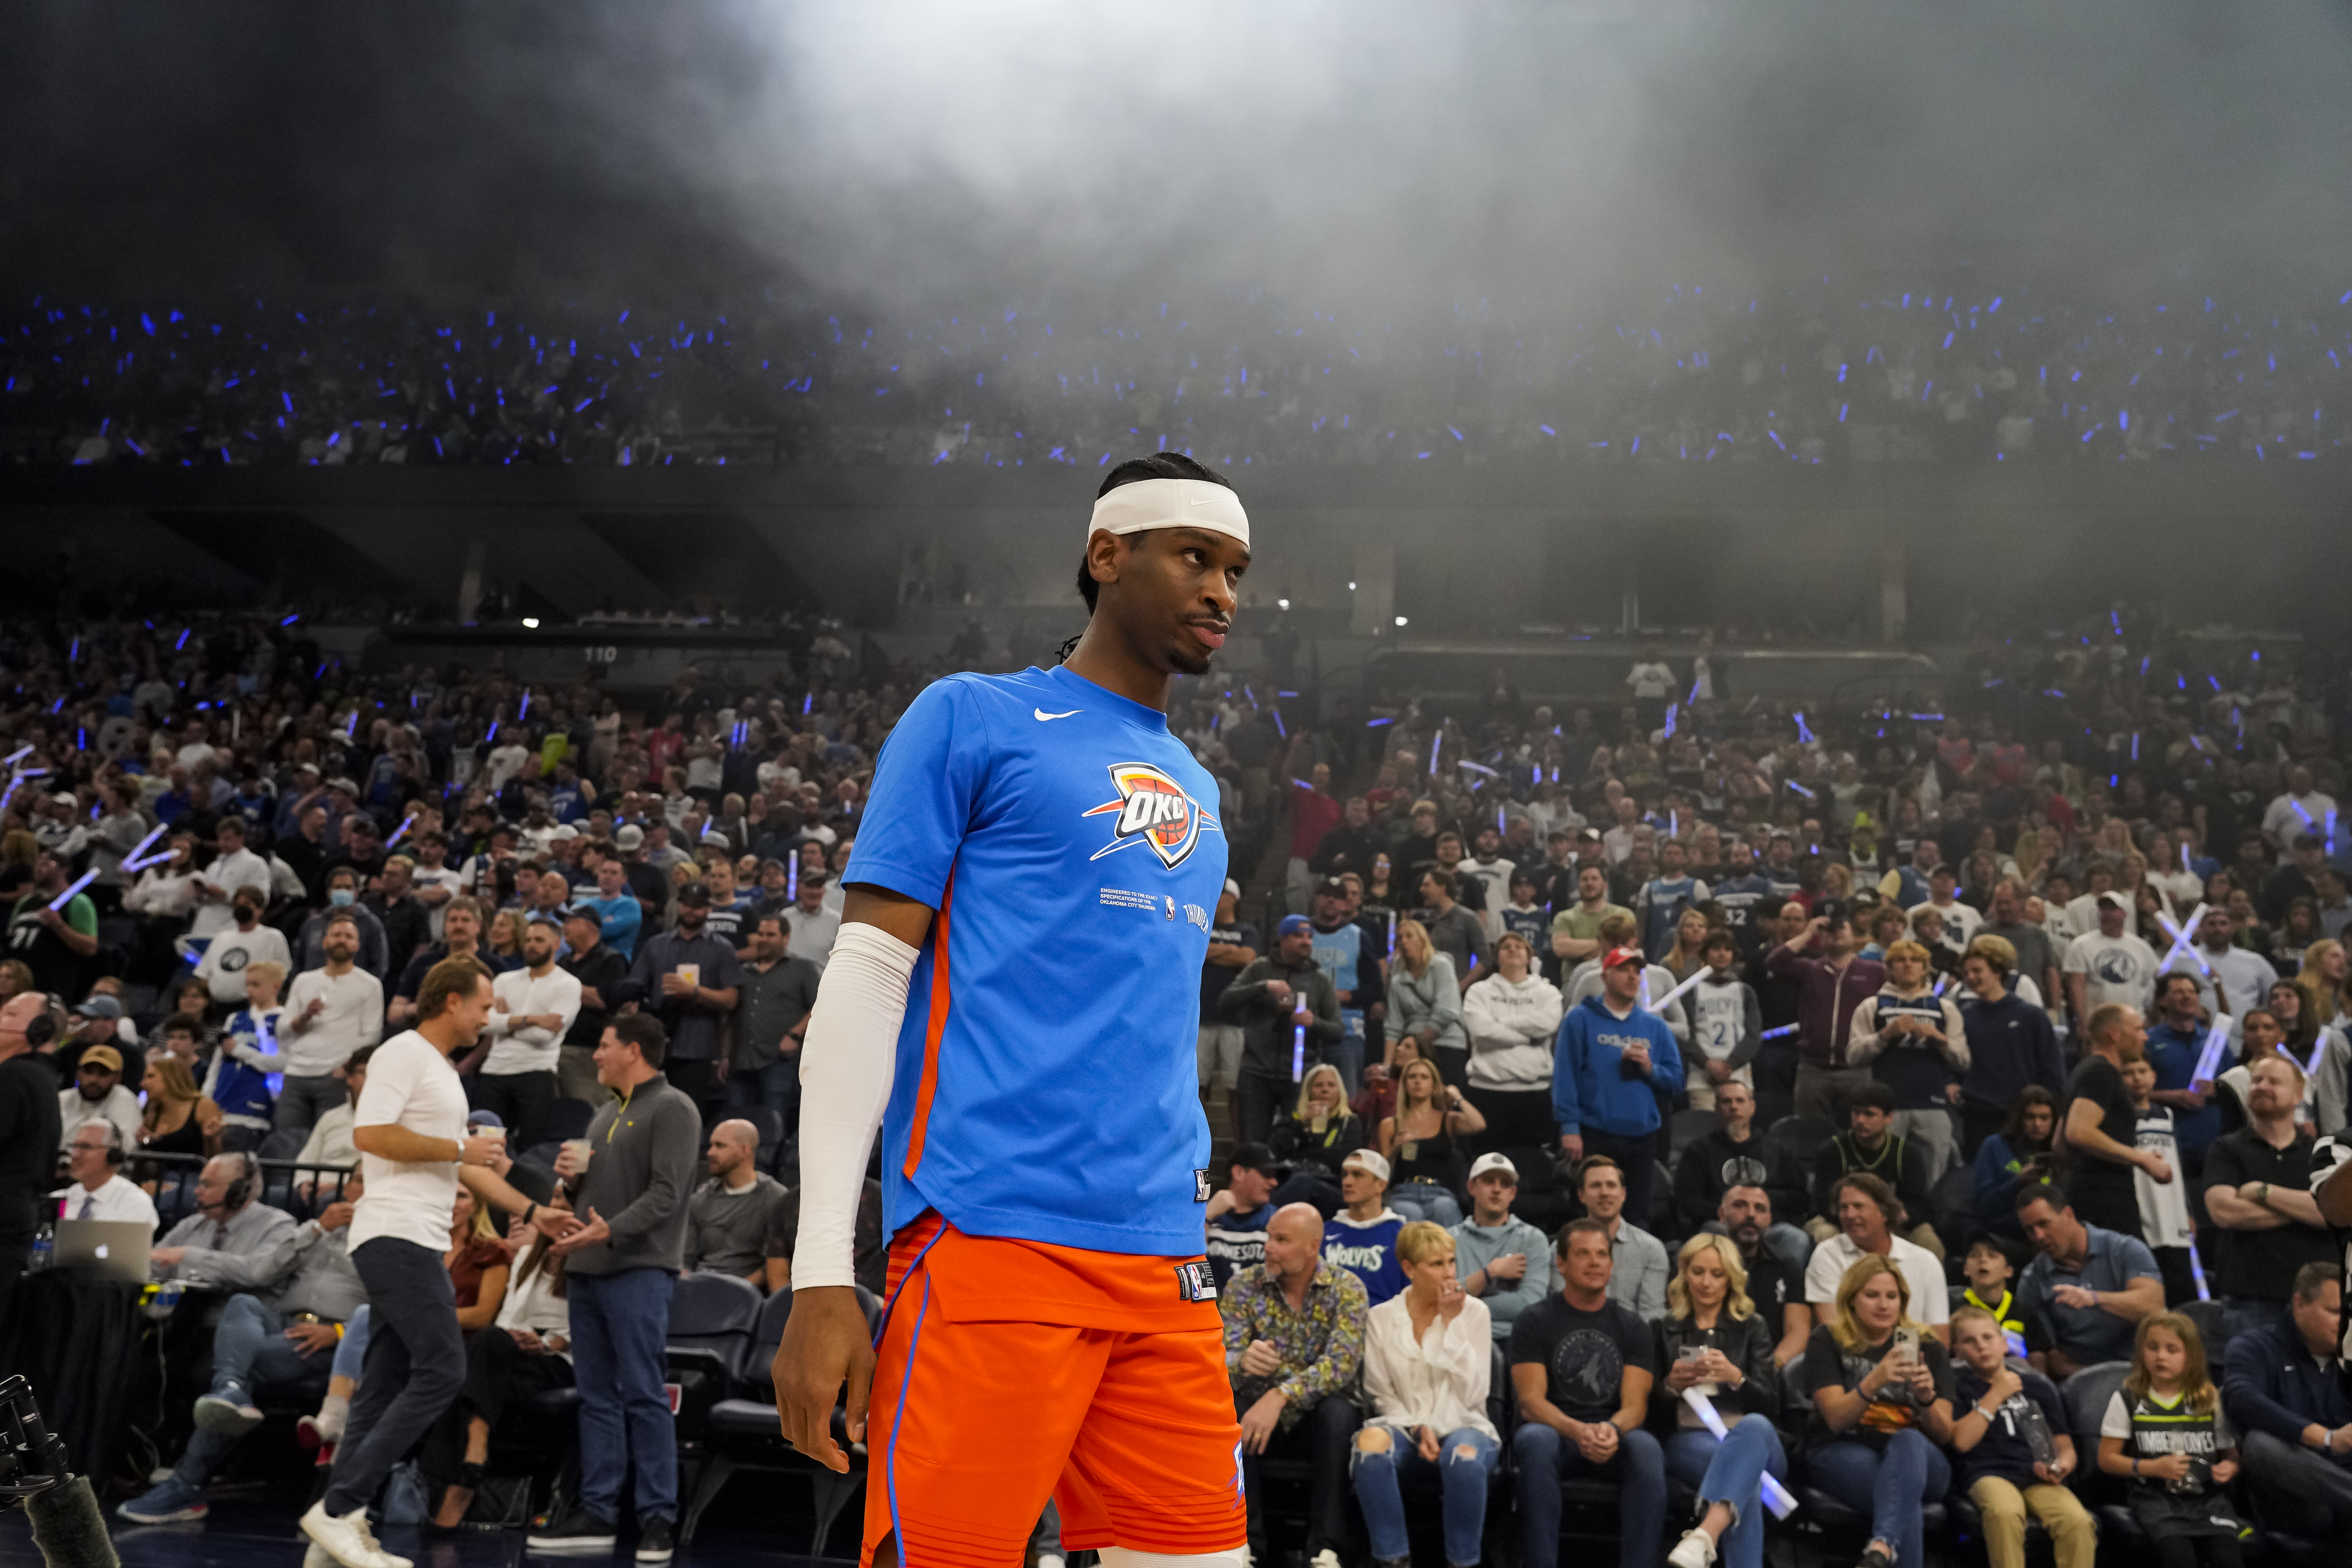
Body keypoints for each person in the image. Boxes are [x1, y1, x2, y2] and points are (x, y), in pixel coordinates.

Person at [773, 454, 1257, 1568]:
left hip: (1165, 1257)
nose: (1223, 591)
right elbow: (863, 983)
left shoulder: (1199, 781)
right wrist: (819, 1276)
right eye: (1194, 557)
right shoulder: (972, 717)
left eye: (1235, 568)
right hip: (991, 1237)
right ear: (1107, 556)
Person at [304, 958, 571, 1568]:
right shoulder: (404, 1053)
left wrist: (534, 1208)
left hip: (412, 1238)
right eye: (483, 1004)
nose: (489, 1015)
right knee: (444, 1371)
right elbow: (370, 1135)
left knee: (382, 1386)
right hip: (396, 1234)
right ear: (451, 1001)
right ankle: (339, 1506)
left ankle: (334, 1532)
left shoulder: (443, 1072)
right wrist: (459, 1145)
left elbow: (466, 1166)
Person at [528, 1014, 702, 1558]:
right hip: (587, 1270)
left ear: (633, 1050)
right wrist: (569, 1183)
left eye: (603, 1046)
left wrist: (611, 1228)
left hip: (640, 1268)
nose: (596, 1055)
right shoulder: (602, 1113)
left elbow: (668, 1193)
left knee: (645, 1395)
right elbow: (591, 1193)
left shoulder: (673, 1106)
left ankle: (657, 1517)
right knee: (597, 1397)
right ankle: (597, 1511)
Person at [119, 1174, 366, 1525]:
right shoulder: (319, 1231)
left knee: (248, 1364)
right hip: (283, 1319)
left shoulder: (388, 1241)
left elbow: (387, 1312)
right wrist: (316, 1229)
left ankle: (185, 1484)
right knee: (243, 1302)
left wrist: (339, 1332)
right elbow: (261, 1272)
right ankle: (231, 1390)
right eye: (357, 1179)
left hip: (331, 1337)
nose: (362, 1188)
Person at [1509, 1219, 1666, 1568]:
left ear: (1611, 1264)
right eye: (1583, 1254)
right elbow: (1532, 1404)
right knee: (1534, 1438)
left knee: (1646, 1446)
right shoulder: (1533, 1320)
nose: (1595, 1262)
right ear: (1561, 1264)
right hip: (1557, 1435)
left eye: (1602, 1255)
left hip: (1611, 1438)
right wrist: (1578, 1431)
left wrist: (1611, 1429)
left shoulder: (1633, 1326)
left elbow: (1635, 1407)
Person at [1222, 1202, 1367, 1568]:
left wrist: (1282, 1395)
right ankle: (1244, 1544)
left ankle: (1326, 1548)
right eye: (1269, 1236)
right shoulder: (1243, 1285)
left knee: (1339, 1413)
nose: (1268, 1246)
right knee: (1228, 1409)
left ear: (1312, 1246)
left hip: (1314, 1417)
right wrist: (1242, 1361)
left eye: (1281, 1239)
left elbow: (1342, 1364)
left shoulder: (1347, 1288)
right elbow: (1220, 1356)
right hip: (1254, 1415)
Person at [424, 1191, 578, 1529]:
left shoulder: (592, 1260)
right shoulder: (526, 1256)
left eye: (565, 1201)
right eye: (551, 1198)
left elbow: (593, 1329)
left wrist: (548, 1343)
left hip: (558, 1361)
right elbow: (508, 1317)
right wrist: (517, 1338)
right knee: (487, 1343)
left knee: (465, 1370)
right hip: (513, 1355)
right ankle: (470, 1461)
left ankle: (456, 1479)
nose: (555, 1206)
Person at [1350, 1221, 1498, 1568]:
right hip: (1404, 1425)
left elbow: (1475, 1392)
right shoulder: (1380, 1317)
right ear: (1409, 1269)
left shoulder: (1475, 1312)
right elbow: (1379, 1393)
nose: (1449, 1273)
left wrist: (1451, 1325)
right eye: (1436, 1264)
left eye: (1451, 1262)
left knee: (1462, 1455)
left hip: (1466, 1424)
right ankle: (1392, 1558)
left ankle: (1463, 1562)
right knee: (1369, 1443)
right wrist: (1418, 1426)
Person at [1802, 1254, 1956, 1568]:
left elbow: (1943, 1434)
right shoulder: (1827, 1339)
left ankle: (1883, 1544)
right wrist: (1874, 1380)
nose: (1883, 1305)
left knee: (1908, 1444)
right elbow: (1834, 1419)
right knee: (1901, 1498)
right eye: (1871, 1295)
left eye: (1891, 1296)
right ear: (1851, 1299)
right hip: (1843, 1448)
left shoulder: (1928, 1345)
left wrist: (1925, 1399)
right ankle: (1882, 1549)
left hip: (1920, 1460)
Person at [1653, 1233, 1786, 1568]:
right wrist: (1670, 1385)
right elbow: (1647, 1410)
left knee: (1754, 1427)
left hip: (1755, 1439)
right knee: (1746, 1482)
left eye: (1717, 1274)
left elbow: (1771, 1405)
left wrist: (1735, 1378)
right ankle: (1704, 1542)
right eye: (1698, 1272)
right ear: (1684, 1274)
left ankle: (1704, 1536)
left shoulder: (1752, 1326)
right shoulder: (1662, 1327)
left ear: (1731, 1278)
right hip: (1689, 1437)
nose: (1706, 1283)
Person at [1944, 1304, 2094, 1568]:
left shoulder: (2037, 1385)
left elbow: (2065, 1446)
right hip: (1987, 1473)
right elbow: (1961, 1441)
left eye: (1988, 1337)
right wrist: (1996, 1394)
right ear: (1957, 1352)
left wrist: (2060, 1466)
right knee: (2004, 1512)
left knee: (2078, 1521)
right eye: (1970, 1341)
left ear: (2003, 1343)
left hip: (2037, 1475)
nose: (1981, 1346)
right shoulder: (1958, 1386)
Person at [2201, 1051, 2335, 1338]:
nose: (2262, 1086)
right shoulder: (2226, 1148)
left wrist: (2261, 1191)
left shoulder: (2321, 1152)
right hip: (2249, 1298)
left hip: (2319, 1301)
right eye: (2257, 1080)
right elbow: (2224, 1212)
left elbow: (2335, 1212)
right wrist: (2304, 1211)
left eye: (2274, 1081)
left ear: (2298, 1094)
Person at [2217, 1262, 2352, 1541]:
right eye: (2336, 1311)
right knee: (2259, 1444)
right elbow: (2241, 1398)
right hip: (2292, 1500)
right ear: (2299, 1304)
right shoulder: (2254, 1346)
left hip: (2342, 1487)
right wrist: (2324, 1438)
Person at [2102, 1313, 2251, 1566]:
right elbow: (2106, 1459)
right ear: (2141, 1352)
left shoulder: (2208, 1399)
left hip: (2208, 1500)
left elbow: (2230, 1455)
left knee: (2227, 1558)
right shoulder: (2129, 1398)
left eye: (2172, 1350)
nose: (2161, 1356)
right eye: (2153, 1348)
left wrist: (2232, 1467)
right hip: (2156, 1500)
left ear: (2191, 1357)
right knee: (2180, 1558)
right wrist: (2151, 1468)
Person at [1553, 946, 1682, 1233]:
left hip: (1643, 1137)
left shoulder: (1655, 1027)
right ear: (1605, 975)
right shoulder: (1579, 1019)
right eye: (1624, 970)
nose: (1632, 977)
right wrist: (1570, 1127)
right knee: (1589, 1216)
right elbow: (1565, 1076)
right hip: (1594, 1132)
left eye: (1637, 971)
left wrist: (1651, 1068)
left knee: (1637, 1218)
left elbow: (1676, 1082)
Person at [1845, 941, 1968, 1183]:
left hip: (1932, 1104)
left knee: (1932, 1178)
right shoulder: (1873, 1006)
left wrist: (1939, 1038)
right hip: (1885, 1108)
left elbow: (1964, 1060)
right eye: (1901, 960)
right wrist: (1884, 1036)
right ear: (1890, 968)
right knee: (1881, 1177)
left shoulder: (1945, 1008)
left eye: (1915, 960)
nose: (1908, 965)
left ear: (1925, 969)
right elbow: (1853, 1056)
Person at [2012, 1182, 2164, 1378]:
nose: (2039, 1236)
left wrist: (2094, 1298)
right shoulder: (2032, 1280)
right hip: (2083, 1377)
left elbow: (2153, 1306)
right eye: (2030, 1230)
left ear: (2068, 1214)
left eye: (2044, 1224)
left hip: (2143, 1369)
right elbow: (2051, 1356)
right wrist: (2100, 1378)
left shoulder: (2126, 1249)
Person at [1222, 914, 1345, 1146]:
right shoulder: (1260, 969)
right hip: (1257, 1072)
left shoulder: (1320, 980)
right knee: (1252, 1145)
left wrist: (1313, 1022)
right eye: (1298, 936)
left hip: (1299, 1077)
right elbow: (1226, 1001)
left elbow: (1338, 1031)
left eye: (1310, 937)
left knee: (1293, 1145)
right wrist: (1263, 987)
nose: (1307, 942)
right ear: (1283, 939)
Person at [626, 880, 743, 1117]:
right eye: (687, 905)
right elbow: (635, 987)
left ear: (709, 909)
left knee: (686, 1113)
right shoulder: (656, 945)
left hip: (697, 1044)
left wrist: (695, 991)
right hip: (655, 1042)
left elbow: (731, 999)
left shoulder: (722, 949)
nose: (691, 911)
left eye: (698, 906)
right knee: (646, 1110)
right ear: (679, 906)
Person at [469, 911, 581, 1148]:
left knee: (530, 1147)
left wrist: (506, 1021)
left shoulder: (568, 985)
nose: (531, 946)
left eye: (539, 941)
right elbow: (485, 1024)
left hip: (536, 1072)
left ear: (556, 944)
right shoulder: (504, 980)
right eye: (529, 940)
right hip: (494, 1071)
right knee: (484, 1144)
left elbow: (543, 1037)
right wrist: (532, 1019)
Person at [1672, 1081, 1810, 1270]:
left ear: (1752, 1107)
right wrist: (1731, 1213)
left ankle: (1784, 1291)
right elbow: (1688, 1199)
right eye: (1727, 1102)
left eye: (1740, 1101)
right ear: (1717, 1109)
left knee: (1796, 1238)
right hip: (1721, 1226)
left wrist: (1762, 1210)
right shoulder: (1699, 1150)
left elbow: (1800, 1196)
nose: (1734, 1107)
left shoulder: (1776, 1149)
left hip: (1768, 1227)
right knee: (1716, 1231)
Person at [1766, 904, 1886, 1123]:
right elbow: (1775, 961)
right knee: (1807, 1134)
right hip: (1813, 1069)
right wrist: (1808, 933)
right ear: (1821, 938)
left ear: (1853, 933)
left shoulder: (1874, 972)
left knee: (1860, 1132)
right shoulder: (1810, 969)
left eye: (1842, 928)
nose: (1837, 933)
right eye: (1830, 930)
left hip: (1857, 1069)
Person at [2064, 1002, 2174, 1237]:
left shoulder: (2082, 1072)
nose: (2145, 1037)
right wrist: (2142, 1158)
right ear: (2115, 1034)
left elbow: (2060, 1146)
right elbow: (2077, 1132)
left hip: (2088, 1193)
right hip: (2105, 1199)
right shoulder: (2102, 1073)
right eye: (2138, 1029)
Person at [270, 911, 385, 1134]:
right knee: (286, 1143)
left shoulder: (370, 985)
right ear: (325, 942)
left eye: (348, 936)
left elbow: (371, 1035)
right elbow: (282, 1030)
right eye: (336, 935)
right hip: (296, 1074)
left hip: (335, 1075)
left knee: (330, 1139)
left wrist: (346, 1068)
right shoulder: (304, 980)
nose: (342, 940)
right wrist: (305, 1017)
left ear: (357, 945)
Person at [1804, 1173, 1951, 1342]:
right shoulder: (1828, 1254)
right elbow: (1834, 1331)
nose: (1850, 1215)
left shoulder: (1926, 1262)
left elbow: (1940, 1339)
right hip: (1850, 1359)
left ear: (1884, 1213)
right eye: (1844, 1208)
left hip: (1912, 1360)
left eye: (1859, 1206)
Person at [1956, 937, 2067, 1158]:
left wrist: (2052, 1110)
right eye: (1966, 973)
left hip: (2022, 1117)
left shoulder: (2031, 1016)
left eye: (1977, 971)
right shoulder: (1964, 1017)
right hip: (1977, 1115)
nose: (1971, 978)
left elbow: (2052, 1066)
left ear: (1998, 972)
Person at [1808, 1085, 1941, 1259]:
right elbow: (1825, 1202)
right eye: (1856, 1113)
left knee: (1928, 1240)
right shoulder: (1832, 1150)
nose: (1861, 1120)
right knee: (1824, 1234)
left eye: (1869, 1114)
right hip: (1843, 1222)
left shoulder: (1907, 1154)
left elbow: (1919, 1204)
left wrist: (1895, 1217)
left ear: (1889, 1118)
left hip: (1891, 1224)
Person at [1460, 929, 1564, 1145]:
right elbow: (1481, 1031)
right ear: (1497, 958)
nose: (1512, 949)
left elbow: (1548, 1024)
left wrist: (1500, 1022)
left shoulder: (1548, 992)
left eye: (1519, 946)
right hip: (1486, 1091)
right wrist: (1528, 1038)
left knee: (1532, 1167)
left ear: (1529, 957)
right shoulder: (1479, 991)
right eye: (1505, 947)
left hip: (1534, 1093)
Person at [727, 912, 821, 1123]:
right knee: (738, 1125)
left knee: (774, 1123)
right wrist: (725, 1056)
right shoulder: (743, 972)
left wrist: (795, 1035)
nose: (764, 939)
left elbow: (820, 1004)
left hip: (778, 1060)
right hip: (741, 1060)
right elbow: (730, 1018)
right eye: (761, 934)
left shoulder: (803, 969)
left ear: (786, 938)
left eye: (771, 935)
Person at [1451, 1152, 1552, 1345]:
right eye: (1489, 1181)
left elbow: (1530, 1303)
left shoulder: (1533, 1239)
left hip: (1517, 1340)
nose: (1497, 1189)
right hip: (1462, 1338)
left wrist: (1465, 1298)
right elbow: (1442, 1297)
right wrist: (1490, 1273)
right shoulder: (1449, 1240)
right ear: (1471, 1188)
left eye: (1505, 1184)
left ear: (1512, 1194)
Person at [1375, 1057, 1484, 1225]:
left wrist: (1458, 1098)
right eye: (1412, 1077)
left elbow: (1478, 1125)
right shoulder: (1390, 1125)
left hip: (1440, 1191)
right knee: (1410, 1212)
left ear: (1434, 1085)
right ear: (1404, 1084)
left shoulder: (1447, 1120)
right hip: (1404, 1191)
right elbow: (1381, 1174)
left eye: (1424, 1077)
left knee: (1445, 1207)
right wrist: (1396, 1148)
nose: (1418, 1081)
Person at [2124, 1055, 2198, 1304]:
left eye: (2143, 1071)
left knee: (2182, 1284)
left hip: (2173, 1211)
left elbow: (2177, 1164)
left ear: (2154, 1076)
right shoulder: (2119, 1119)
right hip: (2142, 1208)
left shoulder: (2166, 1115)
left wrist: (2187, 1210)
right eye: (2129, 1072)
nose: (2137, 1078)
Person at [682, 1118, 788, 1284]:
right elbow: (685, 1259)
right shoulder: (700, 1199)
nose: (710, 1153)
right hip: (699, 1289)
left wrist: (738, 1293)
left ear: (744, 1151)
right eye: (711, 1145)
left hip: (747, 1297)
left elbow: (774, 1265)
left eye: (720, 1146)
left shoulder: (775, 1198)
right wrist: (687, 1289)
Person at [1718, 1183, 1812, 1366]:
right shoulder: (1703, 1265)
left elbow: (1798, 1333)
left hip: (1771, 1370)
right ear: (1722, 1215)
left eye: (1760, 1209)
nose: (1751, 1214)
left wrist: (1768, 1369)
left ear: (1769, 1220)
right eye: (1740, 1205)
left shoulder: (1787, 1267)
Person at [1197, 880, 1258, 1137]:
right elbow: (1194, 951)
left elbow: (1247, 958)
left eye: (1221, 893)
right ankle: (1194, 1140)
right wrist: (1229, 950)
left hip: (1235, 1019)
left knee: (1236, 1087)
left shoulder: (1247, 930)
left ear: (1233, 897)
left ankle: (1237, 1142)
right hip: (1201, 1017)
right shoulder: (1200, 924)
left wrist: (1212, 952)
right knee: (1196, 1085)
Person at [1575, 1154, 1669, 1319]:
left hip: (1632, 1342)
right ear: (1581, 1195)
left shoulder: (1651, 1249)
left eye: (1611, 1185)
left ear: (1623, 1194)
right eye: (1596, 1186)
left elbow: (1652, 1315)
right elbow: (1563, 1311)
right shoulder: (1563, 1248)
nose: (1604, 1193)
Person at [1267, 1063, 1364, 1217]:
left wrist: (1304, 1155)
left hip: (1333, 1187)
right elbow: (1276, 1155)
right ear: (1309, 1093)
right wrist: (1304, 1127)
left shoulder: (1351, 1123)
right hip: (1292, 1183)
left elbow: (1343, 1159)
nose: (1325, 1090)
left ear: (1339, 1092)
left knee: (1303, 1182)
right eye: (1319, 1086)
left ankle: (1265, 1221)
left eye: (1331, 1085)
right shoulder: (1293, 1122)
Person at [1681, 929, 1759, 1112]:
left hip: (1739, 1074)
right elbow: (1684, 1034)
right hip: (1702, 1077)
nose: (1722, 953)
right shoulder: (1691, 991)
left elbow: (1753, 1035)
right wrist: (1707, 1064)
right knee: (1704, 1130)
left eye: (1728, 949)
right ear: (1705, 953)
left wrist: (1730, 1064)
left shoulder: (1745, 992)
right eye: (1716, 949)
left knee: (1736, 1131)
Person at [1384, 916, 1468, 1087]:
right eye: (1400, 938)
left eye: (1409, 936)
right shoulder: (1398, 979)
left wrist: (1419, 1045)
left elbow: (1447, 1011)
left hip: (1446, 1043)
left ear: (1423, 940)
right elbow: (1393, 1025)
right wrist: (1387, 1066)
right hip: (1411, 1049)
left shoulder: (1441, 966)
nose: (1404, 941)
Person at [1323, 1148, 1407, 1305]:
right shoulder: (1325, 1231)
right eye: (1345, 1175)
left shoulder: (1402, 1235)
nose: (1347, 1182)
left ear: (1381, 1185)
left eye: (1358, 1175)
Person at [1972, 1087, 2056, 1243]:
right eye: (2031, 1117)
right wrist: (2018, 1182)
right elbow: (1983, 1206)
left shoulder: (2059, 1151)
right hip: (2004, 1233)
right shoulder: (1995, 1146)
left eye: (2045, 1118)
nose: (2037, 1124)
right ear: (2019, 1118)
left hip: (2050, 1234)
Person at [51, 1120, 159, 1227]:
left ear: (113, 1156)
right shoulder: (58, 1200)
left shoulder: (135, 1204)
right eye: (75, 1147)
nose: (75, 1156)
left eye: (86, 1147)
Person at [1203, 1142, 1280, 1291]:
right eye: (1266, 1174)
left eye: (1275, 1176)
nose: (1274, 1182)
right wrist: (1206, 1216)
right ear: (1239, 1173)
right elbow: (1183, 1263)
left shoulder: (1277, 1219)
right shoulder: (1204, 1213)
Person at [57, 1041, 141, 1151]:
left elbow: (126, 1147)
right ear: (78, 1074)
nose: (94, 1080)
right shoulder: (63, 1098)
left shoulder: (124, 1098)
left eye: (103, 1074)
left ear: (117, 1078)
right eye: (89, 1072)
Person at [140, 1053, 224, 1163]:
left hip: (191, 1176)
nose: (143, 1083)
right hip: (155, 1176)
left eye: (151, 1076)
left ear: (172, 1077)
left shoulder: (203, 1106)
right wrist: (147, 1140)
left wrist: (212, 1139)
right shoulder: (153, 1108)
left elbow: (216, 1159)